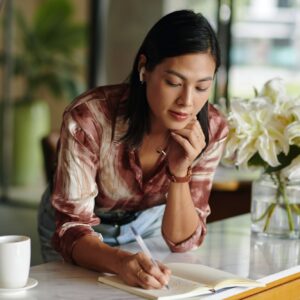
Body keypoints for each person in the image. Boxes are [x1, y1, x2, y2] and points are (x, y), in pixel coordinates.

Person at [38, 9, 228, 289]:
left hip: (148, 226)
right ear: (144, 68)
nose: (187, 101)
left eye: (202, 87)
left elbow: (183, 241)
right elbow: (71, 230)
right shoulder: (91, 118)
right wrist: (120, 262)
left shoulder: (212, 128)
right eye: (173, 83)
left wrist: (180, 171)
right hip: (79, 230)